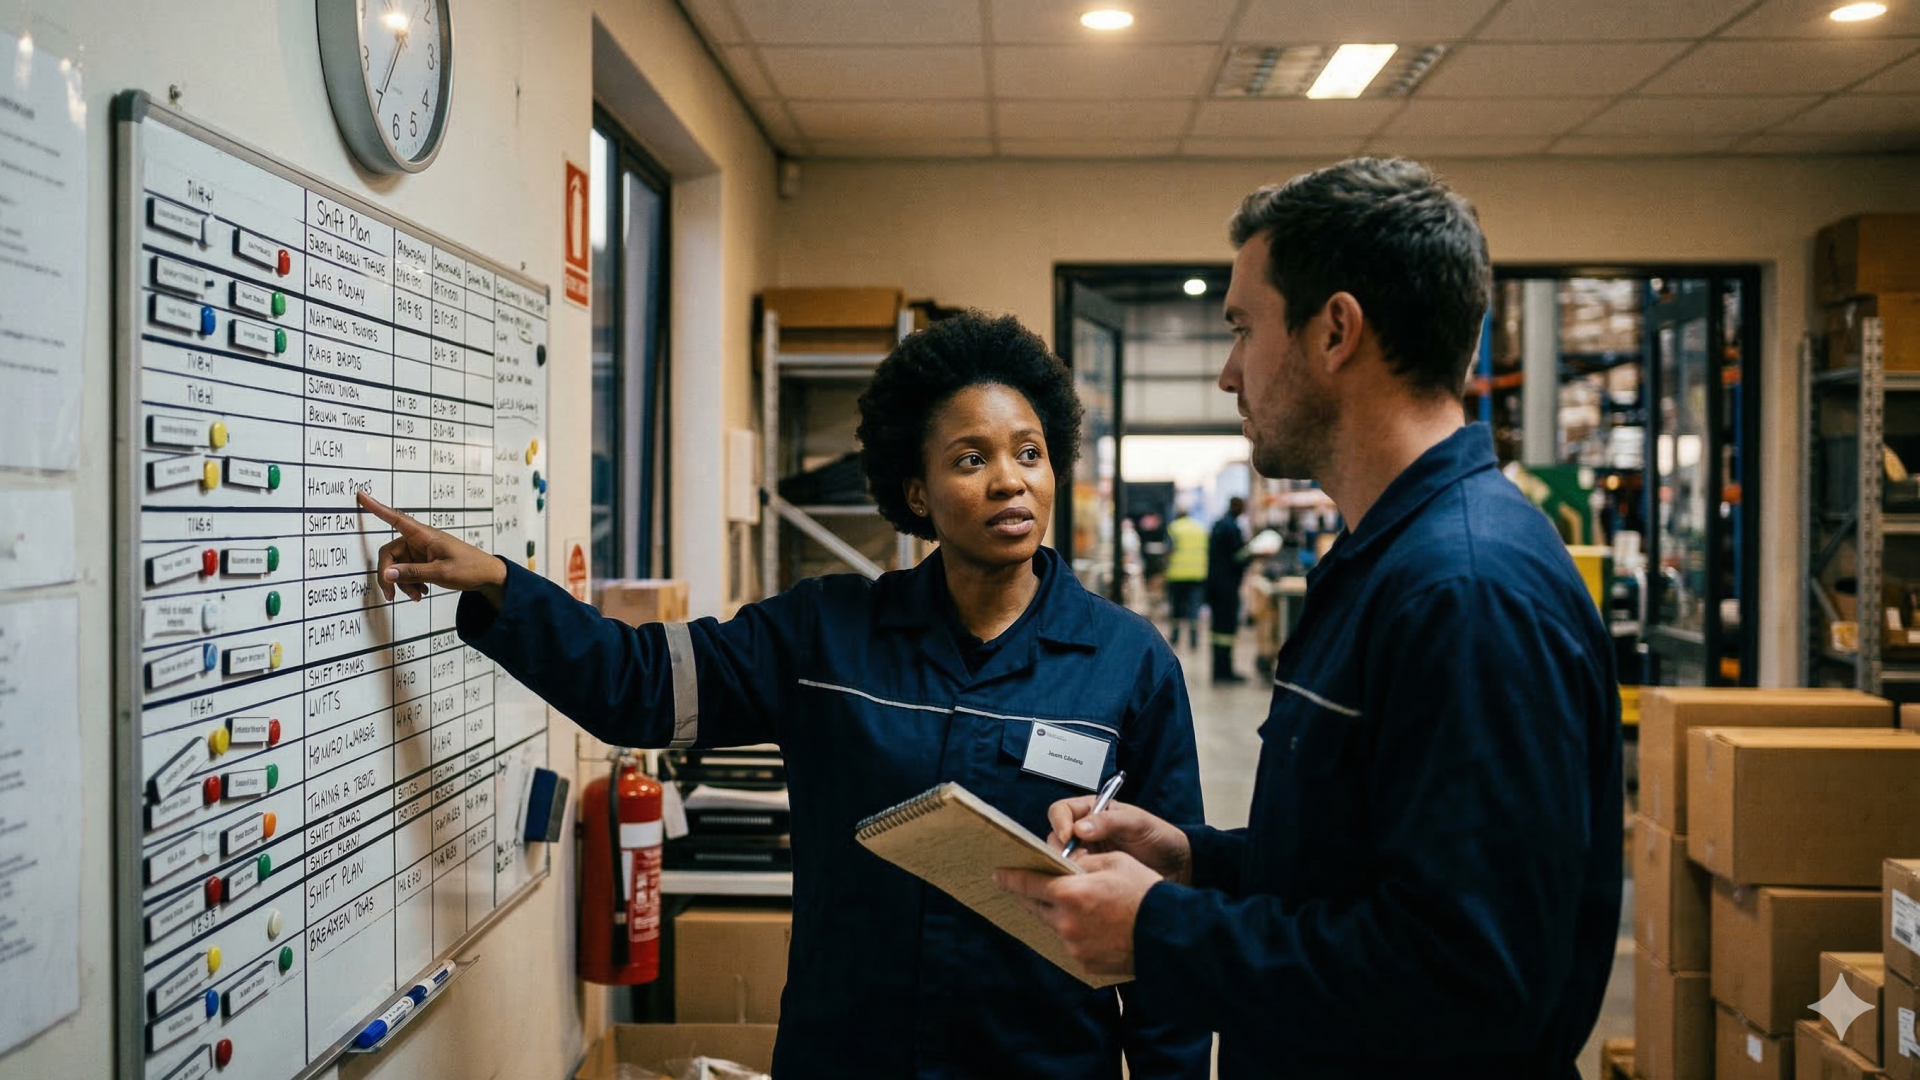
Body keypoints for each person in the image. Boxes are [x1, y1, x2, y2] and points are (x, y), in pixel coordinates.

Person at [357, 311, 1211, 1080]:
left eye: (1029, 452)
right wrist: (506, 587)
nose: (1009, 480)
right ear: (915, 492)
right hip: (847, 1055)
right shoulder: (825, 636)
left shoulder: (1127, 663)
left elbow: (1171, 905)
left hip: (1042, 1064)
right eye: (969, 458)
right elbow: (639, 687)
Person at [996, 158, 1624, 1079]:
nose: (1225, 372)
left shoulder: (1467, 591)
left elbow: (1472, 978)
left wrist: (1163, 932)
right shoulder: (1387, 560)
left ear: (1335, 331)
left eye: (1244, 329)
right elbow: (1375, 867)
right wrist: (1197, 864)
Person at [1205, 496, 1251, 684]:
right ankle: (1225, 670)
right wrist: (1254, 553)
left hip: (1215, 585)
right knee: (1227, 629)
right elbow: (1237, 557)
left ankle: (1219, 668)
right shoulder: (1232, 528)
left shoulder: (1218, 525)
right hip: (1227, 587)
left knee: (1217, 629)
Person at [1162, 506, 1207, 648]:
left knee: (1176, 607)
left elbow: (1168, 550)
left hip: (1177, 574)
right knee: (1194, 607)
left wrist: (1164, 568)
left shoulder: (1173, 528)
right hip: (1197, 574)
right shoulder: (1200, 528)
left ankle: (1175, 637)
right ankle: (1193, 640)